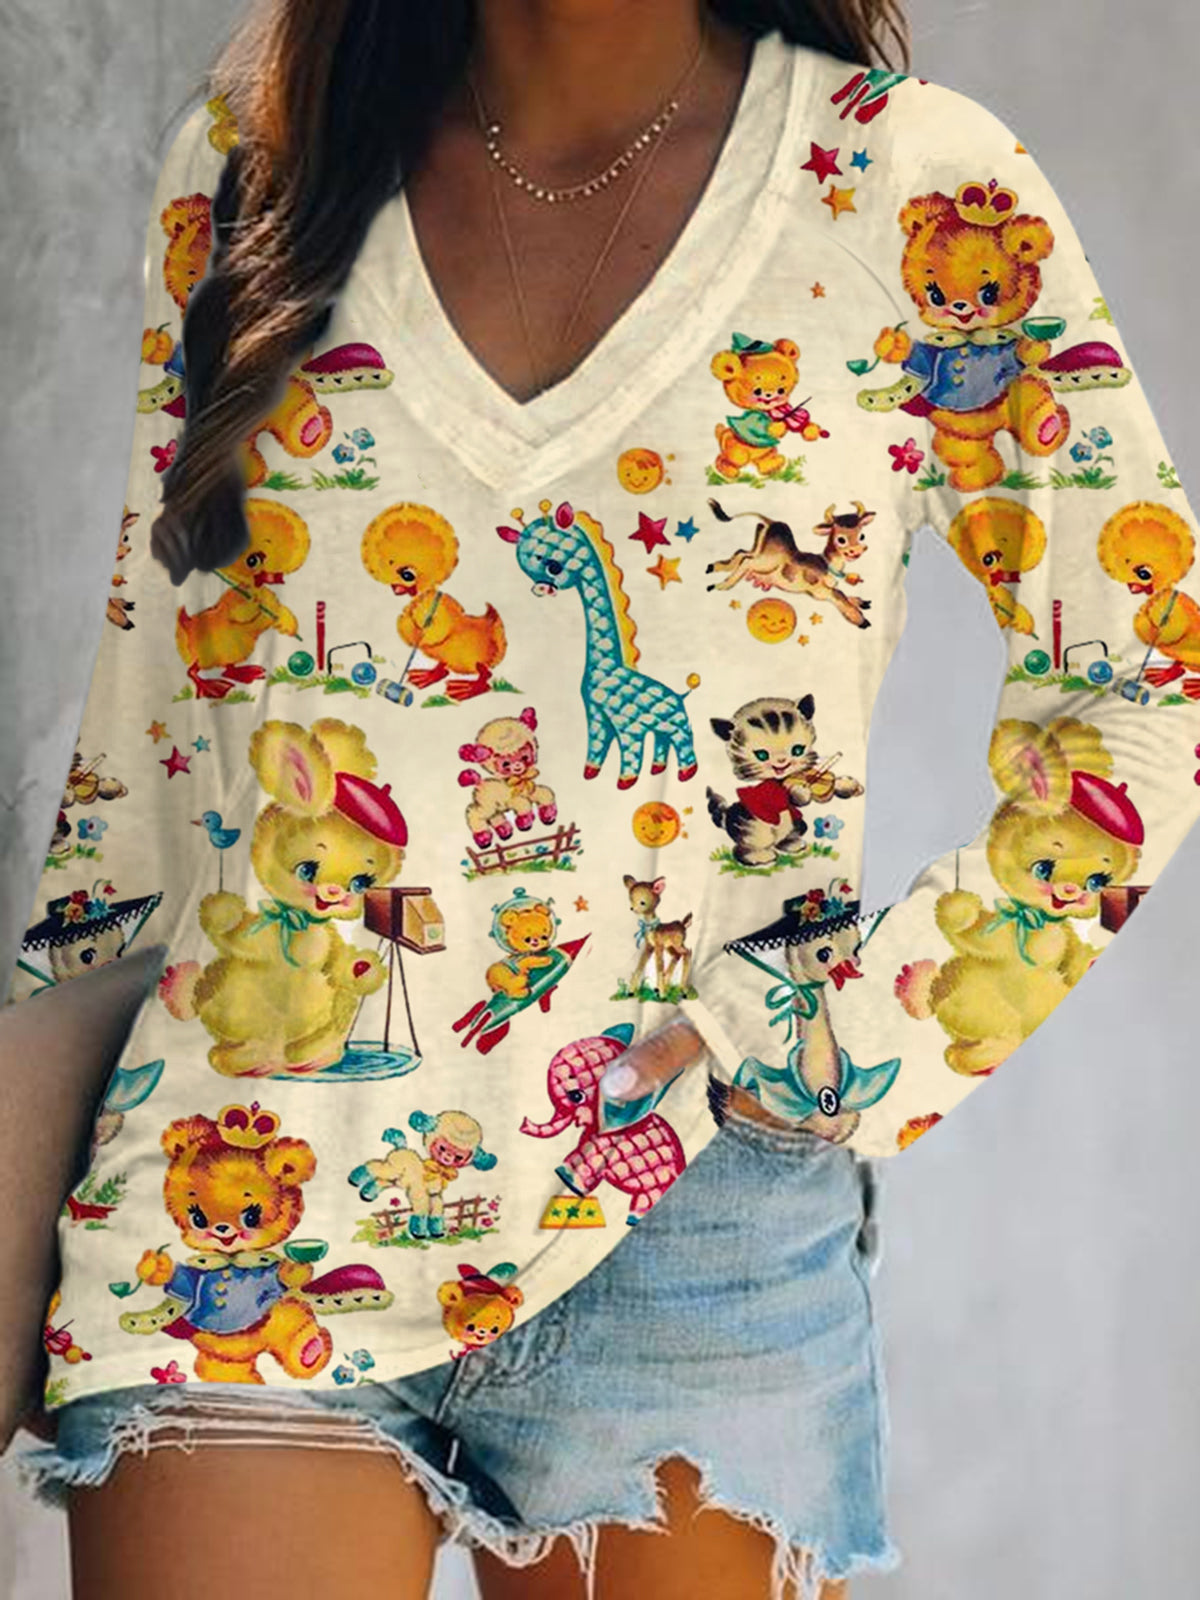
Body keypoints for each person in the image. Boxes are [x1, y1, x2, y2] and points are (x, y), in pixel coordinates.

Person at [2, 1, 1198, 1596]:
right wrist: (37, 1171)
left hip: (685, 1213)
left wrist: (832, 1035)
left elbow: (1144, 686)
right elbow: (155, 723)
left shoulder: (914, 193)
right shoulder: (255, 156)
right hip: (248, 1190)